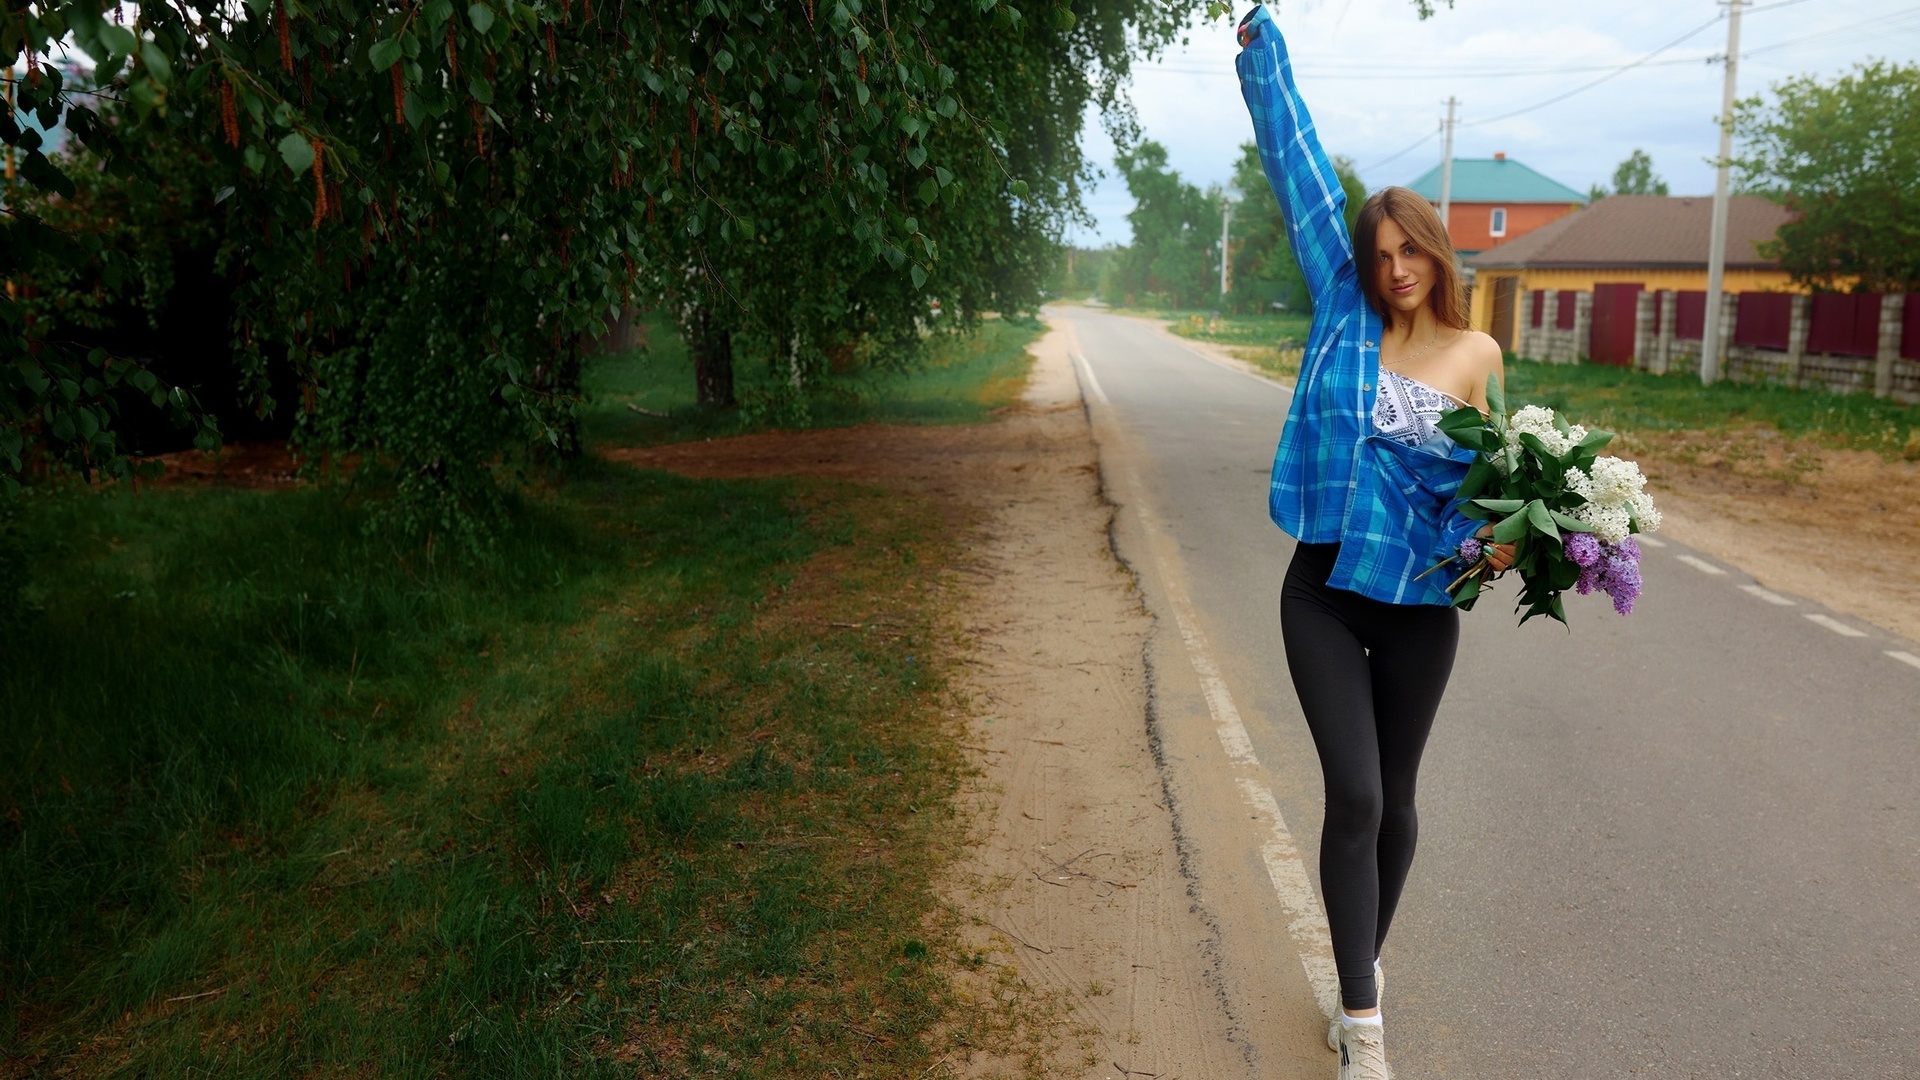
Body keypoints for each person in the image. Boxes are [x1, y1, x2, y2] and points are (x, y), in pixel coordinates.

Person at [1234, 5, 1515, 1078]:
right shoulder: (1345, 312)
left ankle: (1361, 967)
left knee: (1398, 804)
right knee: (1351, 793)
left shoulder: (1478, 353)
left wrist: (1504, 547)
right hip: (1322, 589)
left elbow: (1500, 492)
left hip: (1421, 608)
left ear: (1437, 254)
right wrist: (1264, 47)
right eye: (1380, 251)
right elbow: (1299, 165)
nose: (1395, 266)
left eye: (1410, 249)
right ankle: (1364, 1032)